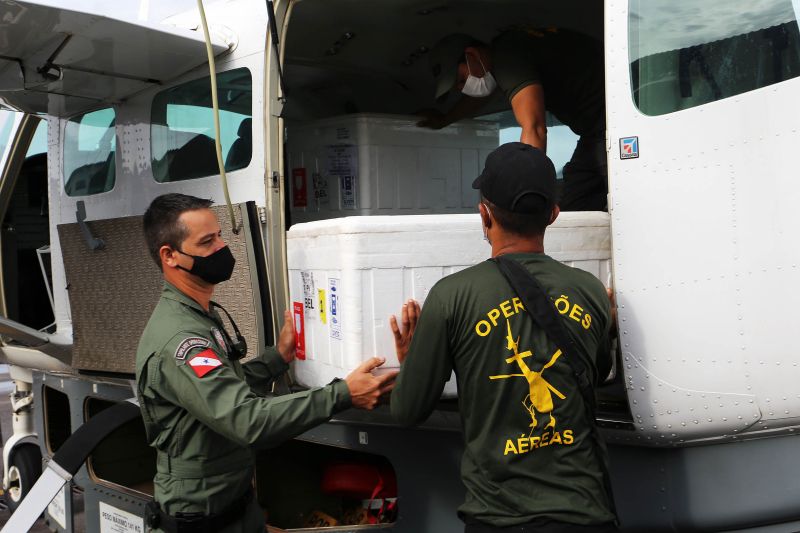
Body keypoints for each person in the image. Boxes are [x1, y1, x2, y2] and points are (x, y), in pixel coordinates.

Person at [136, 193, 396, 533]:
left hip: (237, 509)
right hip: (201, 523)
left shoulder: (198, 315)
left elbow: (228, 384)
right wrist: (343, 393)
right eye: (207, 241)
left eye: (219, 236)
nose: (220, 248)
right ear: (170, 256)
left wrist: (279, 357)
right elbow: (247, 420)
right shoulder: (180, 340)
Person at [390, 143, 617, 532]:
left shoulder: (451, 297)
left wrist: (413, 359)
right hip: (585, 516)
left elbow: (406, 411)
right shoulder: (590, 291)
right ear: (554, 214)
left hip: (498, 519)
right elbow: (596, 375)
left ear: (484, 213)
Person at [422, 29, 607, 211]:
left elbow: (534, 128)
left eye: (461, 79)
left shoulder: (508, 59)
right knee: (577, 199)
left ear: (471, 54)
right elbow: (480, 98)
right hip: (597, 132)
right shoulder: (509, 51)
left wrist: (528, 199)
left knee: (581, 198)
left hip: (611, 124)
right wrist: (446, 120)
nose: (463, 88)